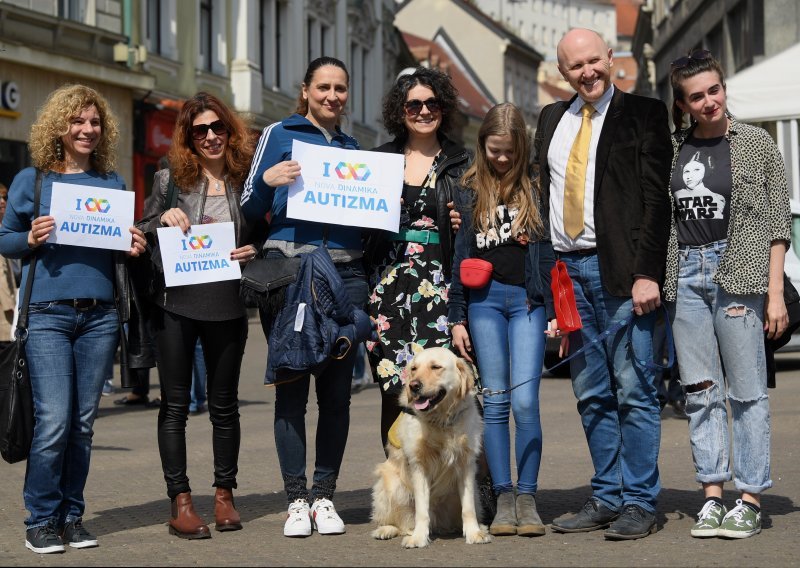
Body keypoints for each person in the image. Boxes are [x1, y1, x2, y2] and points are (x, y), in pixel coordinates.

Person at [533, 28, 672, 540]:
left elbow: (658, 201)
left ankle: (638, 501)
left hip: (622, 274)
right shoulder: (550, 119)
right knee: (591, 393)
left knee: (634, 389)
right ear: (562, 71)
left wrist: (646, 273)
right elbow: (540, 197)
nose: (587, 72)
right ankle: (607, 496)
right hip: (568, 275)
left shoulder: (645, 113)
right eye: (576, 66)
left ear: (610, 59)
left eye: (595, 61)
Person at [0, 84, 146, 554]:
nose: (87, 129)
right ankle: (40, 519)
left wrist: (134, 246)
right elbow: (5, 240)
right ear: (58, 126)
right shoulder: (33, 181)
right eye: (77, 121)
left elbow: (121, 247)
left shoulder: (112, 183)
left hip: (101, 317)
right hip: (47, 314)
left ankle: (72, 516)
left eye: (95, 122)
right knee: (54, 421)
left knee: (83, 424)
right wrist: (30, 238)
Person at [241, 56, 369, 538]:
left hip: (348, 275)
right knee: (292, 392)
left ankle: (325, 498)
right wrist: (269, 182)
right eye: (323, 87)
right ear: (306, 91)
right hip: (290, 272)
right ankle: (296, 499)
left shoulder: (355, 148)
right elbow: (249, 201)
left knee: (337, 396)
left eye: (340, 88)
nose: (332, 96)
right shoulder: (279, 133)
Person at [666, 49, 790, 539]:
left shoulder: (757, 143)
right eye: (697, 96)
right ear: (683, 103)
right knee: (699, 392)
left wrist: (775, 293)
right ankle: (713, 495)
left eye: (714, 90)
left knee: (747, 391)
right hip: (685, 277)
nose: (709, 101)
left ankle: (751, 497)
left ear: (723, 88)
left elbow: (778, 222)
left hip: (738, 271)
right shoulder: (673, 147)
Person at [138, 92, 261, 539]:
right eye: (200, 131)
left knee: (224, 407)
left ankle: (224, 496)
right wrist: (161, 220)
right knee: (174, 406)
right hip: (177, 304)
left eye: (217, 128)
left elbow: (265, 233)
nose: (210, 136)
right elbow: (144, 230)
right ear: (189, 138)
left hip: (226, 304)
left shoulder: (245, 181)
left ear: (229, 131)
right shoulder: (170, 178)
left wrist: (255, 250)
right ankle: (181, 502)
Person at [448, 103, 555, 537]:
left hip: (527, 302)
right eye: (495, 150)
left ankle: (527, 497)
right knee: (494, 402)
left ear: (522, 146)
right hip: (484, 303)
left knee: (526, 401)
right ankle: (505, 495)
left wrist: (552, 308)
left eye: (510, 151)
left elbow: (548, 253)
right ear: (483, 145)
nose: (503, 159)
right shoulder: (468, 188)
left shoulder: (537, 185)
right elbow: (460, 257)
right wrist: (457, 316)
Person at [364, 66, 470, 450]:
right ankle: (402, 484)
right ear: (400, 110)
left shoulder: (461, 162)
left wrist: (465, 220)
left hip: (439, 285)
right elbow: (356, 229)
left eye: (432, 103)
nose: (424, 111)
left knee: (439, 387)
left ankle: (450, 484)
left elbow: (484, 219)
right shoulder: (379, 161)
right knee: (395, 388)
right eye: (414, 105)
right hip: (388, 287)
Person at [0, 182, 17, 348]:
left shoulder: (6, 229)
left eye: (4, 197)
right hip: (5, 311)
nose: (2, 201)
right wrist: (10, 307)